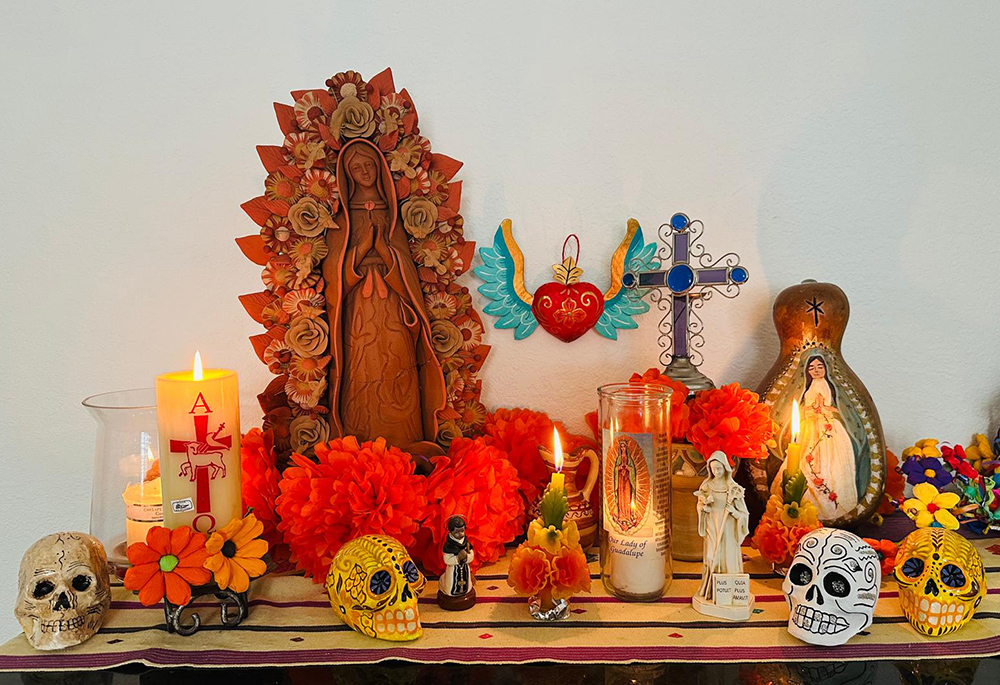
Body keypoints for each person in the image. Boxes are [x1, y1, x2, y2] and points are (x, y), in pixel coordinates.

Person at [323, 139, 446, 462]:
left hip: (392, 305)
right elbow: (333, 275)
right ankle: (360, 446)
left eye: (369, 166)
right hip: (357, 311)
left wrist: (387, 255)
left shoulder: (391, 215)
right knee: (361, 369)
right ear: (347, 175)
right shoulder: (343, 218)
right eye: (356, 168)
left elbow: (405, 264)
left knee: (397, 365)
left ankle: (405, 441)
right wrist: (362, 251)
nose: (364, 172)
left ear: (379, 168)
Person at [798, 355, 858, 519]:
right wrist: (808, 410)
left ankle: (829, 502)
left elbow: (831, 408)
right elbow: (807, 407)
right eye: (812, 368)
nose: (816, 370)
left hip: (826, 427)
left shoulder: (826, 385)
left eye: (819, 366)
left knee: (828, 461)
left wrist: (822, 408)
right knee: (808, 458)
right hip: (811, 426)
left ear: (825, 368)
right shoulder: (809, 387)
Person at [694, 451, 750, 603]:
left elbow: (744, 513)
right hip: (712, 525)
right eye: (713, 469)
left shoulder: (733, 488)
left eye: (719, 468)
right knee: (711, 556)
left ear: (726, 468)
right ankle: (711, 589)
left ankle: (730, 594)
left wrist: (735, 513)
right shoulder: (706, 486)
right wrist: (704, 509)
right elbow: (700, 503)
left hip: (728, 528)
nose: (716, 472)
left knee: (727, 557)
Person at [437, 515, 476, 610]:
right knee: (451, 584)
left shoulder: (465, 541)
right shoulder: (449, 545)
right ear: (450, 531)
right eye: (457, 532)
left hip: (465, 568)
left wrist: (466, 557)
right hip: (453, 570)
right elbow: (447, 559)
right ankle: (451, 593)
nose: (460, 534)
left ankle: (466, 591)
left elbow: (471, 553)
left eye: (462, 530)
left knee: (467, 583)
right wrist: (457, 558)